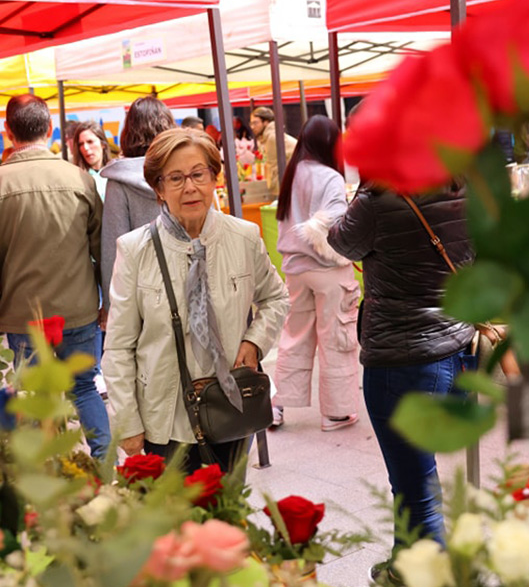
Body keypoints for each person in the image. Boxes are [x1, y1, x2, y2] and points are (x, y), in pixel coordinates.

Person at [102, 128, 289, 471]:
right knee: (175, 522)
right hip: (165, 418)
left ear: (214, 178)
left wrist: (255, 341)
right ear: (159, 189)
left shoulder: (243, 238)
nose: (189, 187)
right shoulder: (134, 250)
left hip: (230, 407)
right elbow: (118, 348)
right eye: (175, 178)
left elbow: (277, 297)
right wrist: (128, 424)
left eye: (198, 174)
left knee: (226, 517)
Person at [327, 178, 476, 587]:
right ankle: (402, 570)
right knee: (413, 477)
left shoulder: (376, 201)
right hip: (457, 348)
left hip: (403, 358)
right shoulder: (464, 186)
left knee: (415, 485)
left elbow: (341, 242)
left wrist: (363, 190)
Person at [0, 94, 110, 459]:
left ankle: (50, 474)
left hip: (22, 314)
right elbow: (103, 248)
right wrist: (103, 299)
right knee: (85, 388)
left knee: (36, 394)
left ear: (8, 132)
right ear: (50, 129)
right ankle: (106, 463)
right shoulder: (79, 178)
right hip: (78, 310)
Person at [271, 115, 360, 431]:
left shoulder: (291, 173)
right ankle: (335, 413)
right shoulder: (331, 178)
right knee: (336, 338)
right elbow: (335, 224)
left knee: (294, 337)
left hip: (295, 269)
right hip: (328, 270)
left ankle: (278, 406)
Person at [99, 96, 175, 320]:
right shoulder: (182, 171)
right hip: (189, 281)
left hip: (143, 295)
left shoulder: (119, 180)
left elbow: (113, 247)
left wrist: (111, 308)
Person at [250, 106, 297, 195]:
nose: (252, 127)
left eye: (255, 123)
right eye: (251, 123)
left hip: (287, 188)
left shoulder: (272, 137)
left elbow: (273, 167)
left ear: (266, 122)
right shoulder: (270, 136)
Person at [72, 121, 110, 202]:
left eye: (90, 142)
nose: (85, 148)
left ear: (103, 144)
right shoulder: (77, 179)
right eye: (81, 144)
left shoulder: (114, 174)